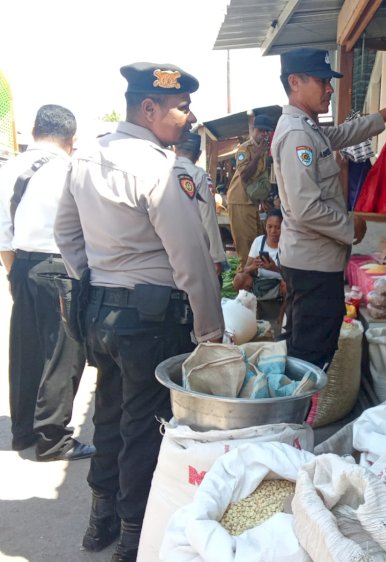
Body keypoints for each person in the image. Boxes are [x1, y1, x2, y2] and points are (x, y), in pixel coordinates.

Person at [55, 62, 224, 562]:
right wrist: (211, 331)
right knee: (143, 426)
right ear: (149, 108)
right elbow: (189, 256)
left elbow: (65, 232)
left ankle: (98, 521)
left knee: (106, 416)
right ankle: (132, 539)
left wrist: (96, 276)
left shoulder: (86, 157)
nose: (188, 116)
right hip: (150, 319)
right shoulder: (159, 167)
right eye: (181, 106)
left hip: (101, 315)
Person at [272, 47, 386, 369]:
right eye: (322, 81)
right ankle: (300, 413)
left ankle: (298, 410)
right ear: (295, 82)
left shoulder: (309, 129)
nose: (329, 88)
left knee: (307, 347)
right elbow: (306, 208)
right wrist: (350, 226)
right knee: (312, 355)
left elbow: (343, 133)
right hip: (313, 266)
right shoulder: (298, 135)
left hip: (314, 262)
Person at [0, 104, 92, 461]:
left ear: (35, 130)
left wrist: (14, 272)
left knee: (26, 351)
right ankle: (53, 439)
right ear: (72, 139)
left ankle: (23, 431)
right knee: (63, 355)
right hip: (59, 269)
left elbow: (3, 234)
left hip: (22, 265)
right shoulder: (70, 169)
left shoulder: (11, 167)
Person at [174, 132, 227, 280]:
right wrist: (216, 257)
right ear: (198, 155)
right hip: (193, 248)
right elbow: (207, 216)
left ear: (175, 149)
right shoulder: (199, 176)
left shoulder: (162, 172)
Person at [226, 114, 275, 270]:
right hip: (240, 200)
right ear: (253, 130)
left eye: (266, 132)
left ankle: (253, 287)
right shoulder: (244, 149)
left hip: (252, 202)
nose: (264, 135)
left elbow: (258, 180)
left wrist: (262, 200)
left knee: (256, 242)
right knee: (246, 249)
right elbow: (245, 175)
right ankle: (242, 287)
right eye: (261, 131)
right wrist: (259, 155)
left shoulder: (262, 150)